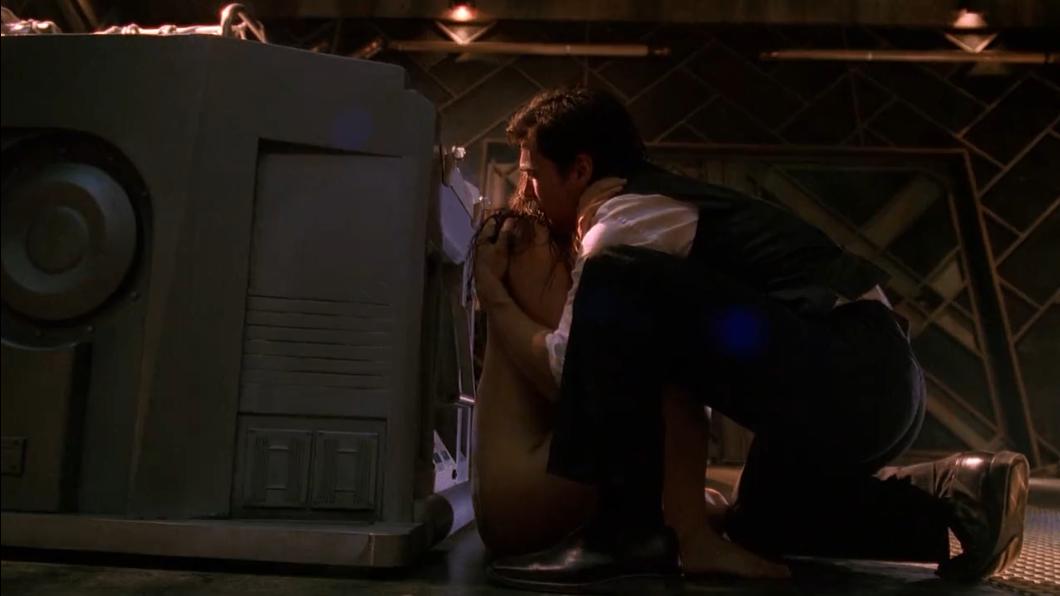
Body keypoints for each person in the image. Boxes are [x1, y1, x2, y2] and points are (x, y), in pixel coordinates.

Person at [471, 87, 1029, 593]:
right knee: (760, 522)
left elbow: (571, 367)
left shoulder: (623, 221)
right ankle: (959, 494)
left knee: (614, 278)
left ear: (580, 169)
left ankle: (623, 537)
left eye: (532, 175)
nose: (526, 191)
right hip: (873, 384)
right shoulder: (654, 205)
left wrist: (495, 296)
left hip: (855, 375)